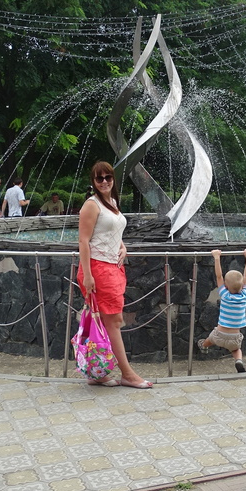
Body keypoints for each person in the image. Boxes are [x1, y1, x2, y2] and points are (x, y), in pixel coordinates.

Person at [77, 160, 152, 389]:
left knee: (104, 322)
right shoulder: (92, 205)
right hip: (98, 268)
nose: (104, 182)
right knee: (113, 322)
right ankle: (127, 374)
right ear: (93, 181)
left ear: (113, 179)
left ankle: (97, 372)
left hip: (113, 267)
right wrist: (88, 275)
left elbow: (111, 231)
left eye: (108, 177)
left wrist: (123, 246)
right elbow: (83, 241)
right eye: (99, 178)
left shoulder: (111, 202)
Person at [197, 248, 246, 373]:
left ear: (226, 286)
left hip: (219, 335)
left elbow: (218, 276)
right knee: (236, 350)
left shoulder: (224, 295)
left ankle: (204, 346)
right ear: (242, 285)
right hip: (235, 337)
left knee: (210, 339)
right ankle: (238, 361)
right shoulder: (244, 296)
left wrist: (217, 257)